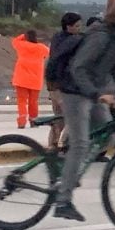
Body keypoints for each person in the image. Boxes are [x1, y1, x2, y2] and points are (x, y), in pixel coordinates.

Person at [54, 0, 115, 221]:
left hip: (92, 92)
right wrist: (98, 95)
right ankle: (63, 201)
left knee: (110, 136)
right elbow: (78, 68)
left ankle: (71, 174)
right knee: (80, 143)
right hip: (75, 92)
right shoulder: (100, 37)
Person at [46, 12, 82, 149]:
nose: (79, 28)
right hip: (58, 84)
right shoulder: (68, 41)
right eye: (77, 26)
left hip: (55, 83)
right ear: (69, 26)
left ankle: (53, 146)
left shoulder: (58, 38)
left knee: (60, 117)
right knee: (66, 116)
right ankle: (58, 145)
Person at [11, 30, 50, 129]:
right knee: (34, 102)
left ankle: (22, 121)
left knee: (22, 101)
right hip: (35, 79)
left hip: (21, 78)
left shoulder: (21, 45)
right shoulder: (41, 48)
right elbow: (48, 53)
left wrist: (23, 36)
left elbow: (14, 41)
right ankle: (34, 121)